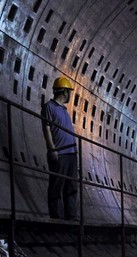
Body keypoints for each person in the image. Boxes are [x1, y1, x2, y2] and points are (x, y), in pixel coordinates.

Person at [41, 76, 78, 220]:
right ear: (64, 92)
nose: (70, 95)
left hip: (71, 153)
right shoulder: (49, 107)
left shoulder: (64, 109)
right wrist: (52, 149)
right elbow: (46, 128)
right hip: (60, 153)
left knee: (71, 186)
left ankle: (71, 215)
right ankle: (56, 217)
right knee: (57, 185)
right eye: (69, 92)